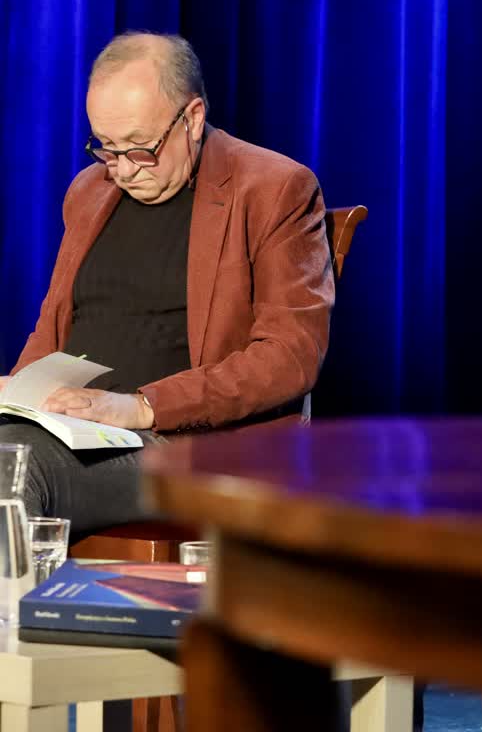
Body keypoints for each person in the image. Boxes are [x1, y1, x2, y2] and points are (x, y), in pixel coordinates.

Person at [1, 32, 334, 535]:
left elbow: (290, 355)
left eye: (139, 148)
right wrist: (18, 392)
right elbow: (53, 326)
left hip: (186, 447)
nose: (121, 170)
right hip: (70, 431)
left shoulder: (273, 189)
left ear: (192, 118)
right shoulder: (89, 192)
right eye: (106, 148)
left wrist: (142, 406)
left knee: (12, 463)